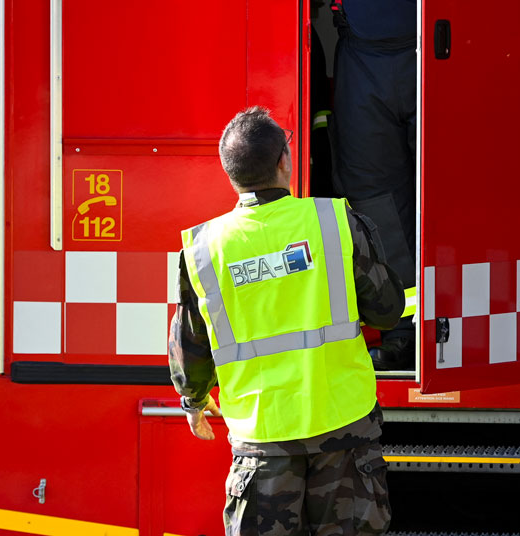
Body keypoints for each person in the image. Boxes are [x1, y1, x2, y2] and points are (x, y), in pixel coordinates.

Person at [168, 106, 404, 535]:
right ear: (284, 162)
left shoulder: (203, 250)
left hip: (263, 440)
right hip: (344, 426)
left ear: (230, 173)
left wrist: (195, 402)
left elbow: (191, 344)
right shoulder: (334, 221)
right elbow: (386, 309)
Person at [331, 0, 417, 370]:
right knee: (375, 199)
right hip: (363, 52)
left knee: (456, 190)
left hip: (448, 40)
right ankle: (403, 329)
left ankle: (471, 322)